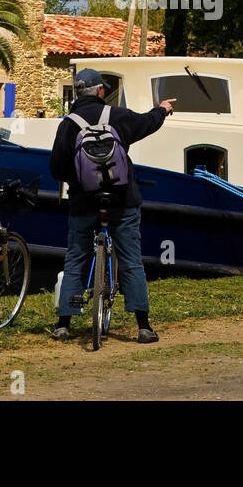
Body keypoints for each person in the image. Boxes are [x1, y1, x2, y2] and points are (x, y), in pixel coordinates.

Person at [49, 68, 174, 343]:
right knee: (130, 259)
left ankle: (63, 324)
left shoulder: (68, 124)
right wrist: (162, 110)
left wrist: (78, 178)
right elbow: (146, 123)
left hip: (83, 203)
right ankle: (143, 326)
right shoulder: (117, 116)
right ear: (101, 91)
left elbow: (56, 168)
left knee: (76, 259)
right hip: (122, 201)